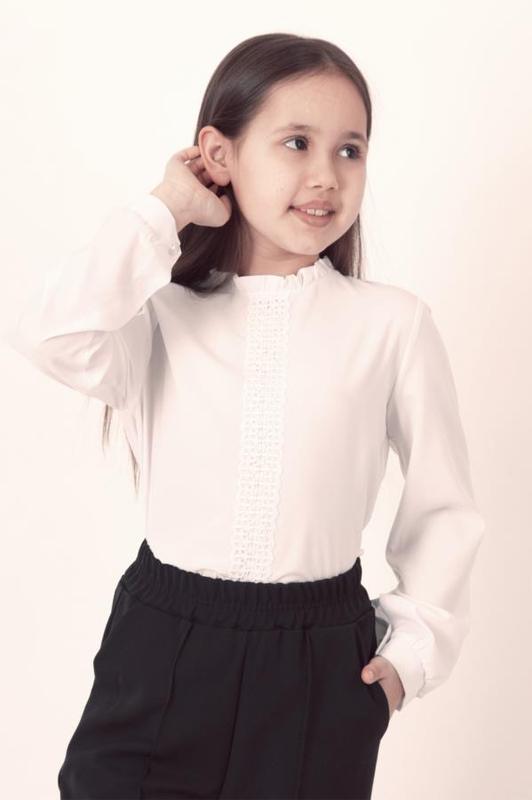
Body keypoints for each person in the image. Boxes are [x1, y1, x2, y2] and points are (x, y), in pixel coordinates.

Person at [4, 32, 485, 800]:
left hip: (318, 669)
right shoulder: (158, 312)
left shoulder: (392, 324)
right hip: (163, 647)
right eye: (296, 142)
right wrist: (167, 207)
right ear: (219, 154)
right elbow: (50, 333)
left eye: (351, 150)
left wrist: (408, 659)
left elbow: (445, 504)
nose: (326, 175)